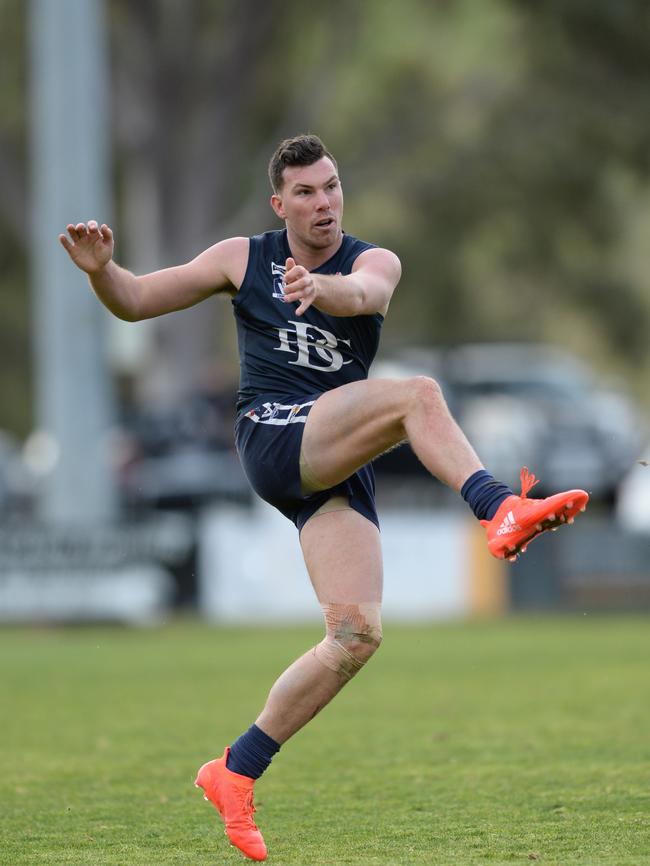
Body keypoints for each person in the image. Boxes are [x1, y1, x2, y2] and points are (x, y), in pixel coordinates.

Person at [60, 134, 588, 862]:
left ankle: (235, 770)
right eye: (305, 193)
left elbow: (364, 295)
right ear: (279, 205)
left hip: (333, 456)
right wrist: (102, 272)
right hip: (274, 434)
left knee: (354, 637)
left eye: (332, 187)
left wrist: (322, 290)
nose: (324, 203)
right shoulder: (241, 258)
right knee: (417, 395)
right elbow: (138, 300)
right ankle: (497, 506)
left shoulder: (374, 260)